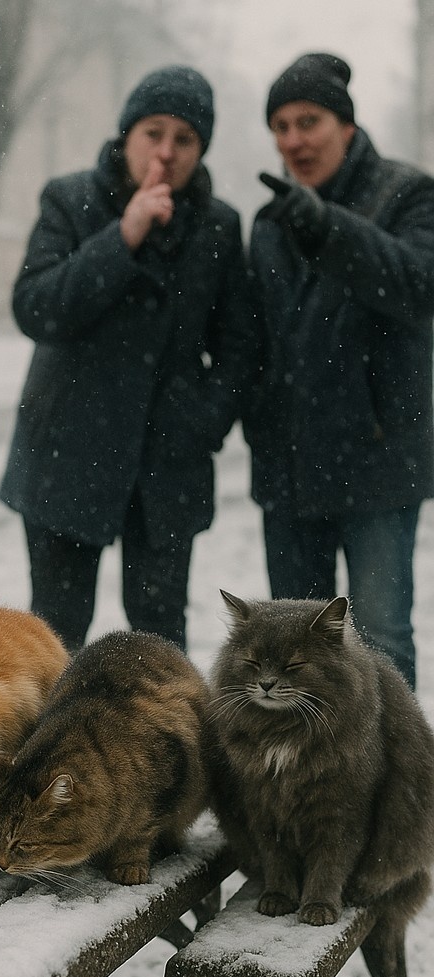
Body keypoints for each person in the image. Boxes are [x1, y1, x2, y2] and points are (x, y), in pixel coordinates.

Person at [0, 65, 258, 652]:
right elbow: (36, 307)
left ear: (201, 150)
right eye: (153, 132)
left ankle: (163, 747)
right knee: (56, 637)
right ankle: (56, 747)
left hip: (167, 467)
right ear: (127, 134)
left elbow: (241, 347)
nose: (166, 152)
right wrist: (123, 237)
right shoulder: (70, 201)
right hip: (66, 457)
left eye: (184, 139)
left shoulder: (218, 227)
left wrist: (204, 423)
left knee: (159, 640)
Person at [247, 53, 434, 688]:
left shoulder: (408, 193)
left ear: (346, 127)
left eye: (310, 121)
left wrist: (330, 228)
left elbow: (419, 287)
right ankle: (309, 785)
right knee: (294, 655)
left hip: (378, 463)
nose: (294, 139)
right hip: (289, 473)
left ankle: (397, 785)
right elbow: (256, 346)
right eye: (281, 125)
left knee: (381, 639)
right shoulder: (268, 225)